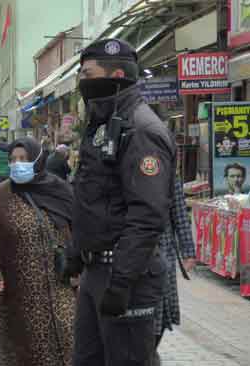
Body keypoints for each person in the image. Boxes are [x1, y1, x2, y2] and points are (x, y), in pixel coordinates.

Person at [66, 39, 176, 366]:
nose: (82, 82)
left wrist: (122, 280)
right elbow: (91, 196)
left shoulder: (141, 129)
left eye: (87, 73)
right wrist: (76, 252)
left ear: (114, 75)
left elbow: (147, 215)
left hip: (126, 274)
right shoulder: (103, 124)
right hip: (96, 269)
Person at [0, 137, 76, 366]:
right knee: (24, 349)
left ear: (37, 160)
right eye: (13, 160)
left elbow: (78, 228)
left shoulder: (59, 190)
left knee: (66, 341)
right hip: (17, 292)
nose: (17, 164)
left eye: (23, 159)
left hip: (60, 284)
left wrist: (79, 262)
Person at [153, 179, 197, 366]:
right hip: (129, 253)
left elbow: (180, 215)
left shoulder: (168, 174)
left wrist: (188, 251)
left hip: (163, 252)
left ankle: (150, 353)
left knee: (161, 311)